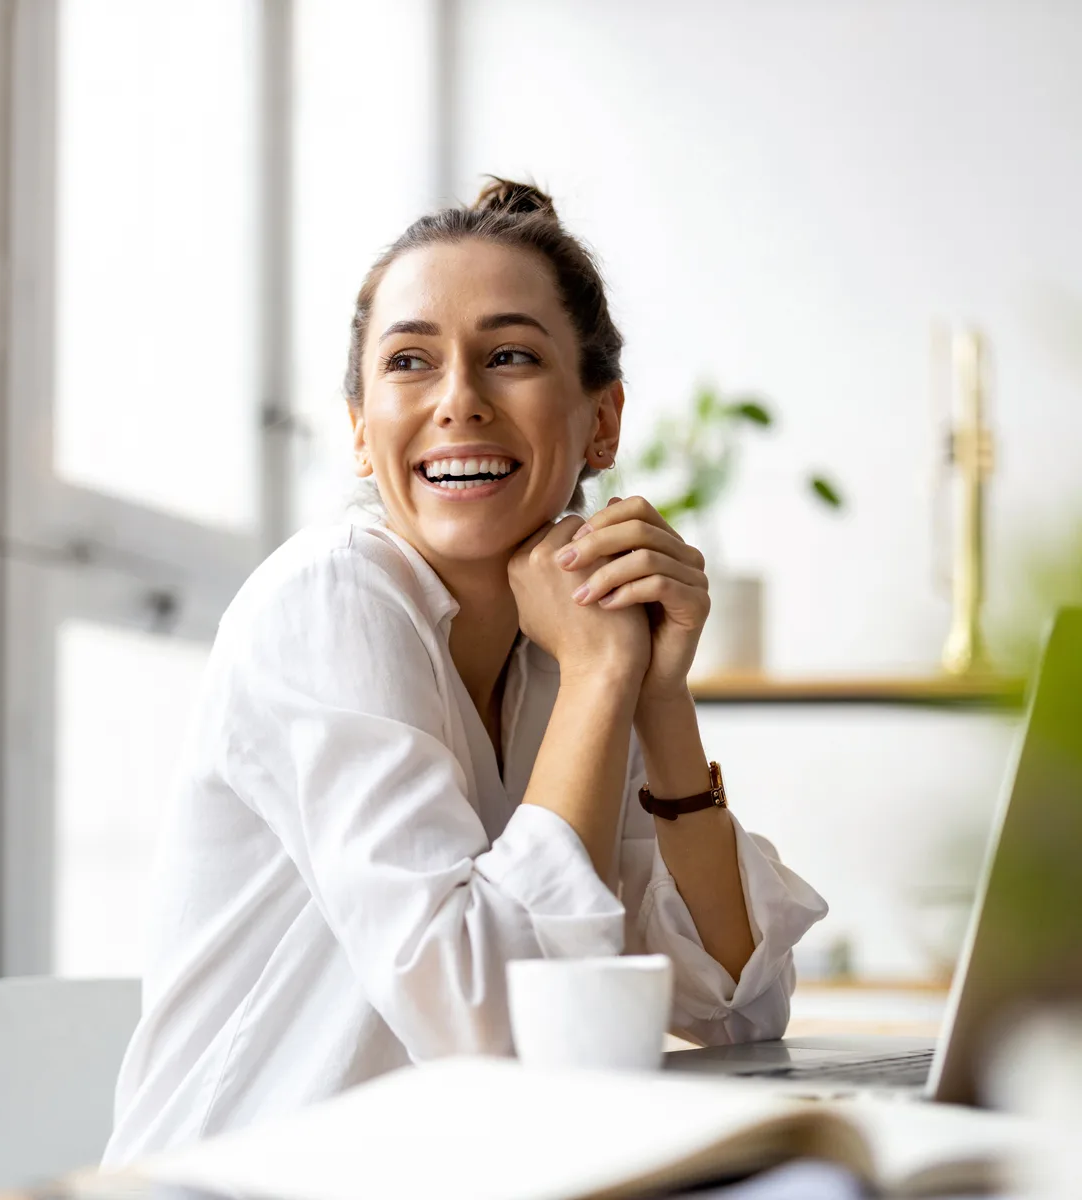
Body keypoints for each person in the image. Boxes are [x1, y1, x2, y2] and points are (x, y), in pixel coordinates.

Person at [102, 177, 827, 1166]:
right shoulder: (332, 601)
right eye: (410, 362)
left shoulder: (564, 647)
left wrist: (655, 694)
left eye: (511, 356)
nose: (458, 401)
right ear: (361, 428)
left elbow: (741, 1007)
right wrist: (601, 684)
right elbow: (488, 1028)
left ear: (602, 422)